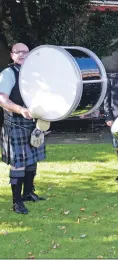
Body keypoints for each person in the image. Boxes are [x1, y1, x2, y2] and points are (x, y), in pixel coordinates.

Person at [0, 43, 46, 214]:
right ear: (12, 55)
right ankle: (17, 202)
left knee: (32, 161)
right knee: (18, 164)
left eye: (25, 52)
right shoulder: (8, 74)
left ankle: (28, 193)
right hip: (16, 123)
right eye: (17, 52)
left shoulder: (34, 75)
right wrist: (21, 110)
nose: (22, 55)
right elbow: (2, 99)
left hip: (34, 123)